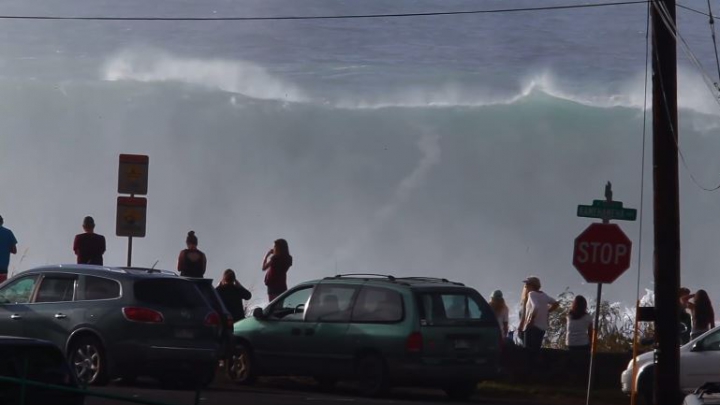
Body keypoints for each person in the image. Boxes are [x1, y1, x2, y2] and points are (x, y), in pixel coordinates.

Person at [518, 276, 559, 352]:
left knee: (527, 351)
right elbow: (556, 303)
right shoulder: (543, 295)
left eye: (528, 284)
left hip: (532, 327)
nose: (526, 286)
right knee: (536, 351)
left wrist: (531, 319)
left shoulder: (531, 294)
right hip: (542, 328)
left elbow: (535, 306)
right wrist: (547, 311)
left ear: (532, 285)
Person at [0, 215, 17, 283]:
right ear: (2, 222)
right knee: (2, 289)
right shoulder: (8, 233)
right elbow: (14, 251)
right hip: (3, 269)